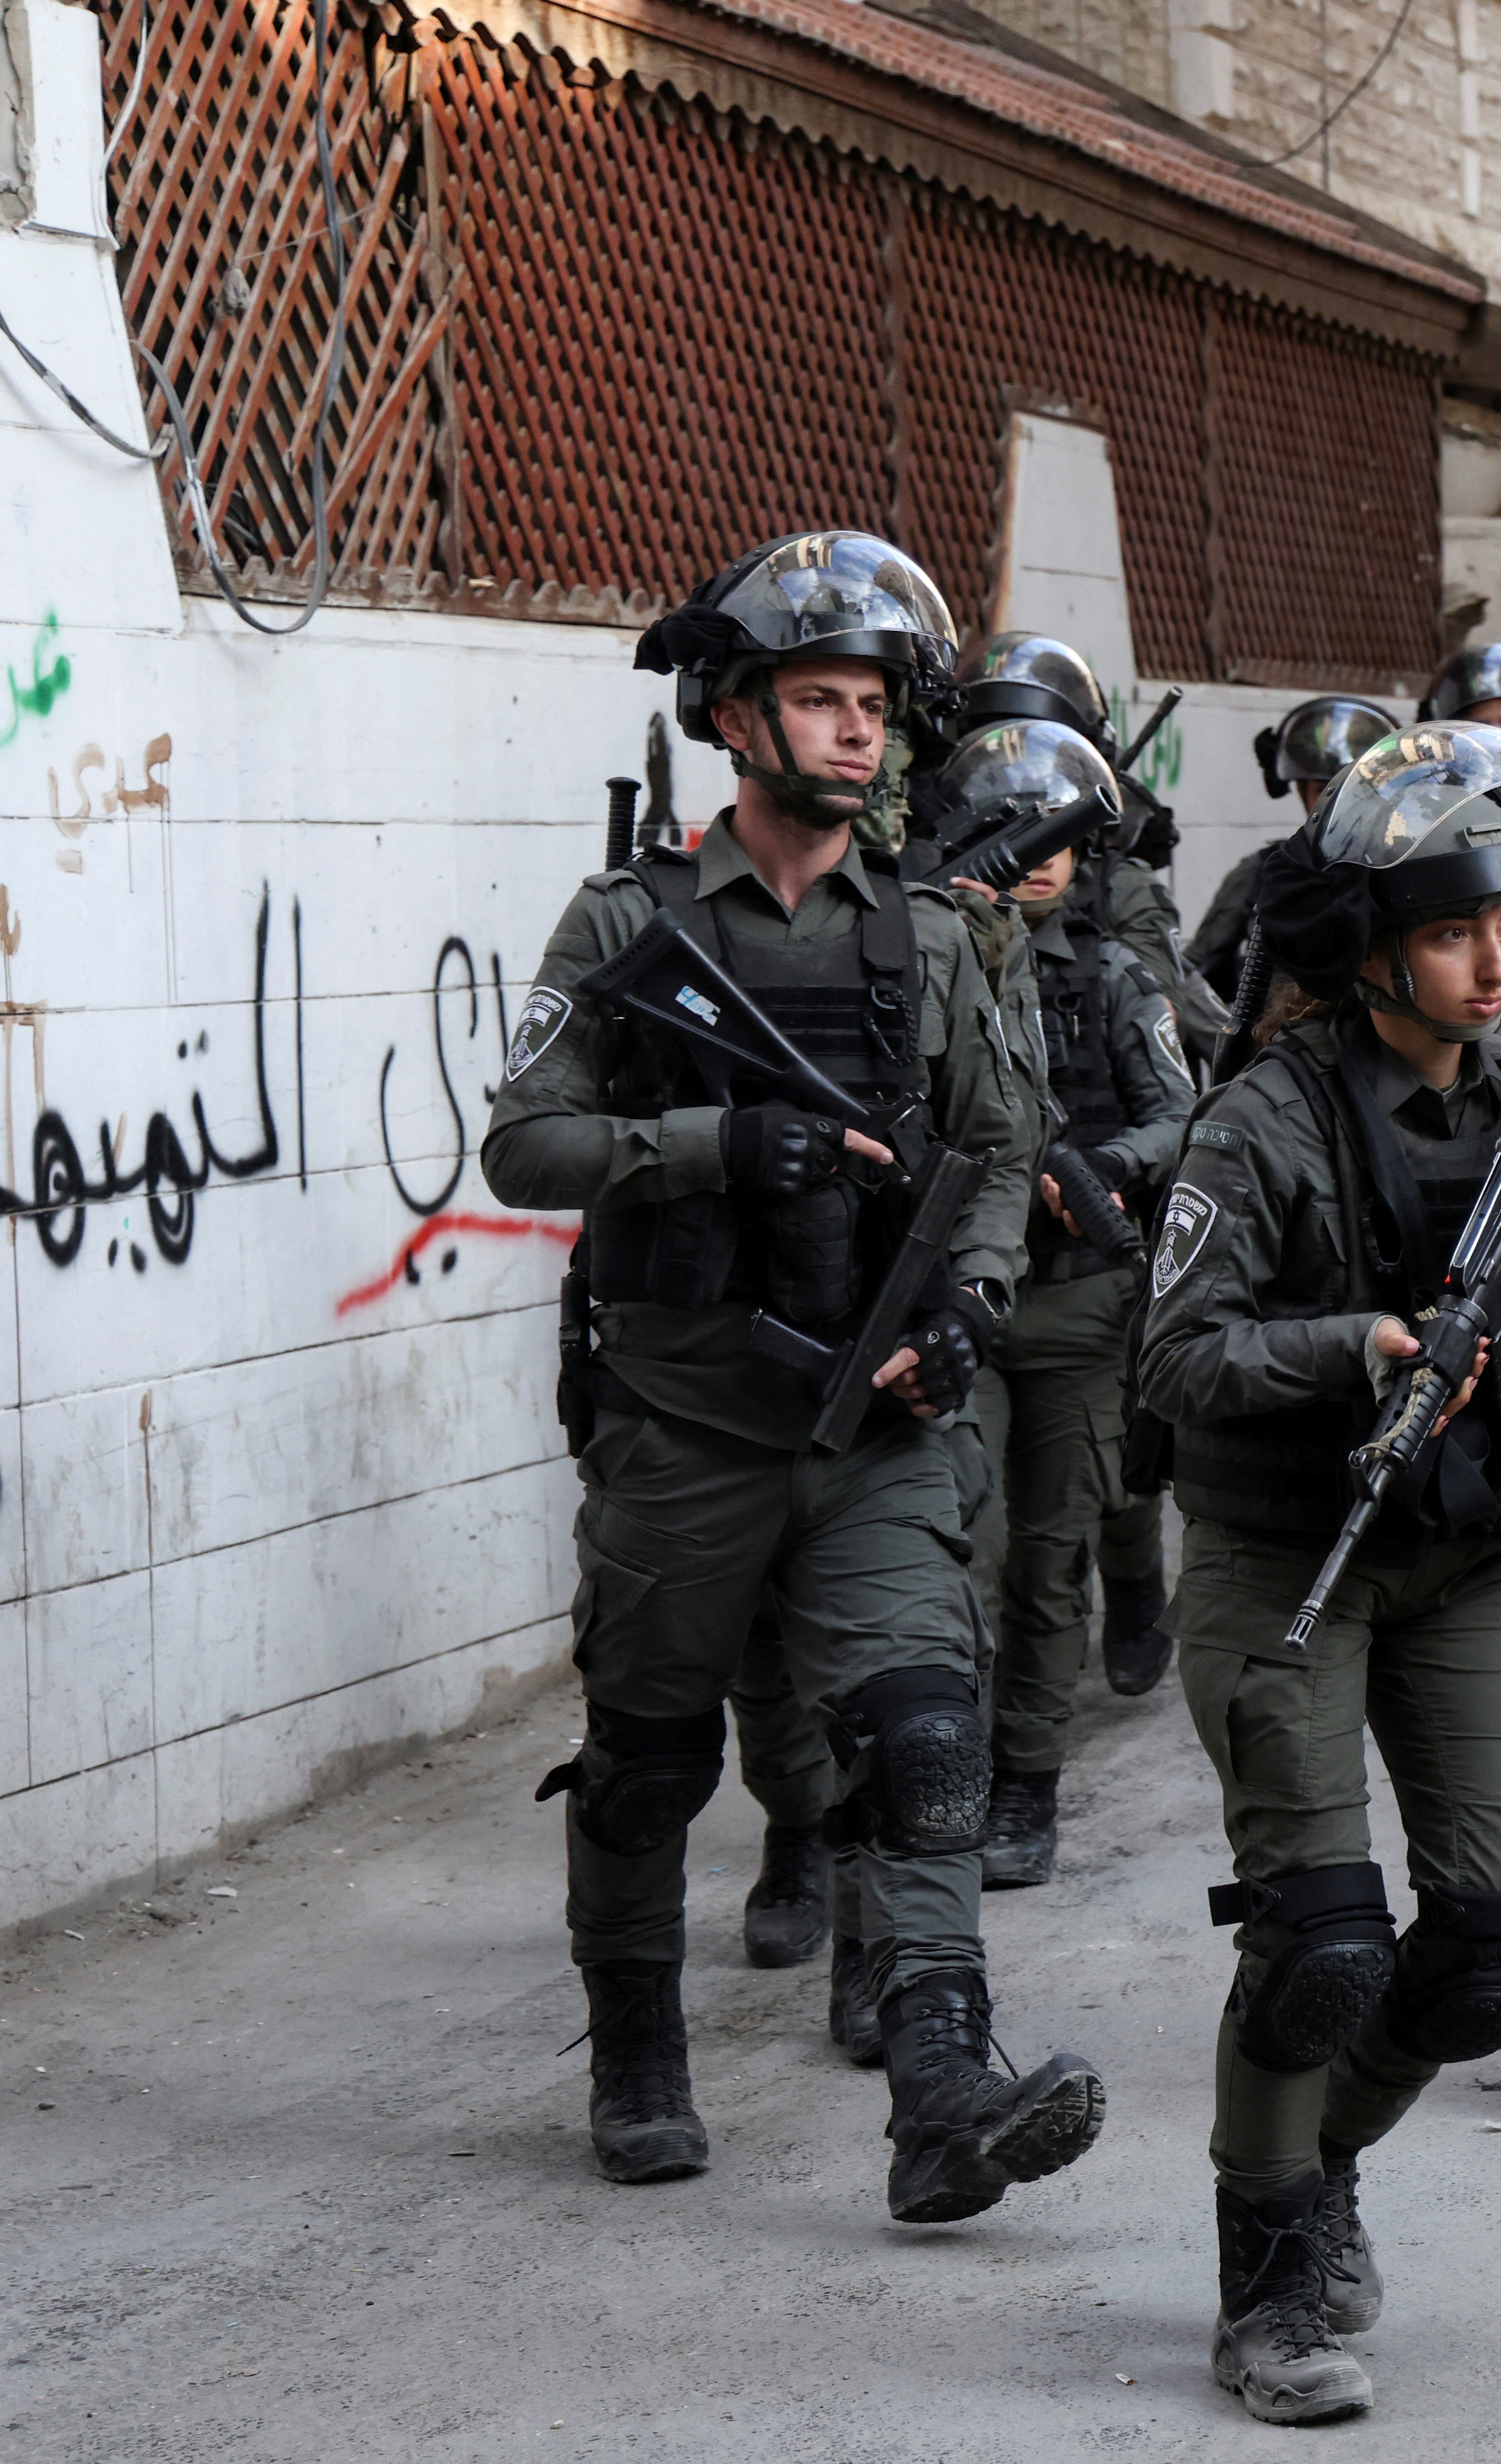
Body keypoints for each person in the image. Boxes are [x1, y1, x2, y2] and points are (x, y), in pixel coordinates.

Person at [487, 531, 1104, 2218]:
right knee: (648, 1764)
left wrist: (964, 1298)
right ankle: (637, 2051)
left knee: (920, 1740)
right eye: (822, 700)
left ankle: (941, 2098)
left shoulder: (934, 932)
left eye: (876, 708)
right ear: (737, 718)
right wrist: (712, 1140)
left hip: (878, 1420)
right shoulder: (630, 918)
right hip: (684, 1427)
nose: (858, 735)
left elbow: (996, 1146)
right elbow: (526, 1143)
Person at [1133, 721, 1501, 2423]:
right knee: (1319, 1943)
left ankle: (1320, 2164)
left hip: (1453, 1561)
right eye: (1453, 934)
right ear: (1369, 952)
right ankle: (1268, 2274)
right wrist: (1351, 1344)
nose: (1497, 965)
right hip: (1286, 1559)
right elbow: (1179, 1362)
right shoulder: (1263, 1122)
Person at [926, 717, 1196, 1890]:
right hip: (957, 1304)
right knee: (962, 1555)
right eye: (1012, 834)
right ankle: (956, 1768)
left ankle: (1027, 1777)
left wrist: (1112, 1169)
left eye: (1061, 843)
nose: (1038, 861)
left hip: (1082, 1302)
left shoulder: (1115, 973)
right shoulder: (926, 958)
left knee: (1048, 1560)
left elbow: (1180, 1110)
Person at [957, 631, 1201, 1700]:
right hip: (971, 1270)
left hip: (1092, 1258)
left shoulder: (1115, 917)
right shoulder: (932, 923)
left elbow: (1178, 1071)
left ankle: (1134, 1585)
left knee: (1104, 1490)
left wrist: (1105, 1165)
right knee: (980, 1537)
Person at [1187, 693, 1398, 1042]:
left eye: (1352, 790)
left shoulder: (1409, 871)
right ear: (1301, 791)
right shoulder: (1261, 874)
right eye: (1323, 789)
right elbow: (1197, 973)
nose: (1337, 805)